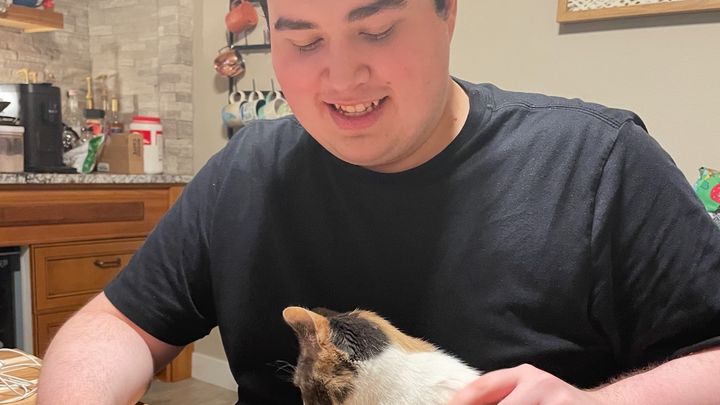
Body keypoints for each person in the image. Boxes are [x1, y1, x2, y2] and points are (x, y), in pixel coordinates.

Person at [38, 0, 720, 404]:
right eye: (304, 41)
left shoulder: (596, 162)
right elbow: (118, 325)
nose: (341, 77)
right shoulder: (245, 171)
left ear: (448, 11)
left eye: (377, 29)